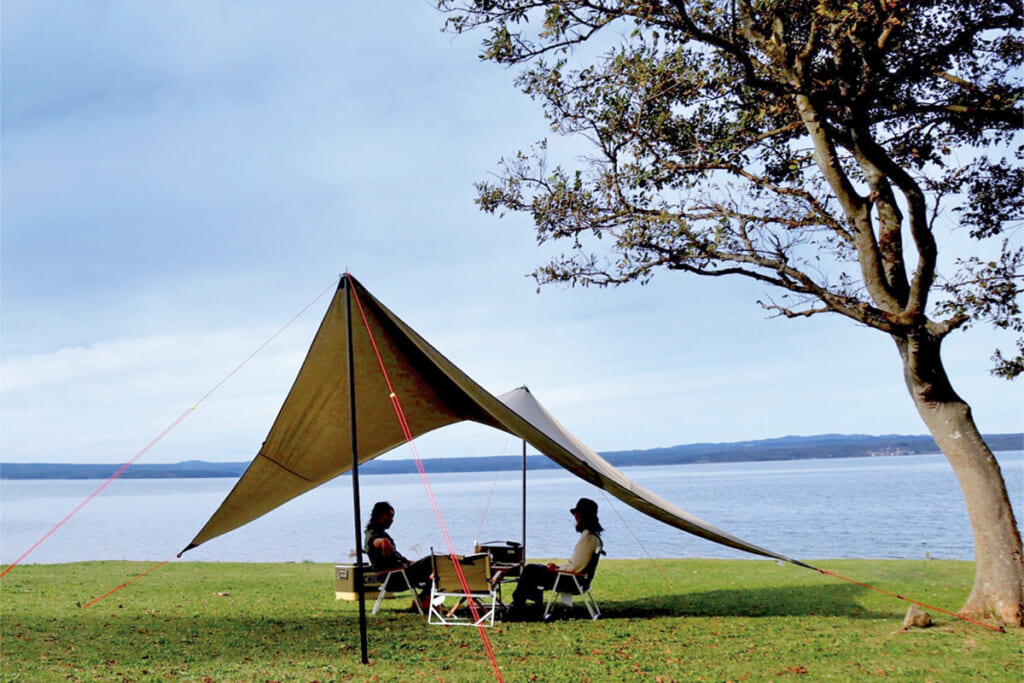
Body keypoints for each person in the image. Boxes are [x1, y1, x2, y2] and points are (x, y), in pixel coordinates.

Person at [508, 497, 604, 620]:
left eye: (578, 515)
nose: (576, 518)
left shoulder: (588, 539)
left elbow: (575, 567)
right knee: (534, 569)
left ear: (585, 517)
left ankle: (519, 606)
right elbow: (577, 565)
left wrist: (556, 569)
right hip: (576, 579)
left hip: (572, 581)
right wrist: (558, 568)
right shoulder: (593, 537)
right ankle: (530, 605)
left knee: (531, 570)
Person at [363, 501, 433, 611]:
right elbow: (376, 542)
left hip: (402, 572)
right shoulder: (373, 534)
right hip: (394, 578)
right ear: (379, 515)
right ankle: (424, 601)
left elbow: (399, 558)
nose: (391, 519)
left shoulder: (381, 533)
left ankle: (424, 600)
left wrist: (413, 563)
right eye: (389, 515)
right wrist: (384, 542)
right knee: (432, 561)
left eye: (392, 516)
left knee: (436, 568)